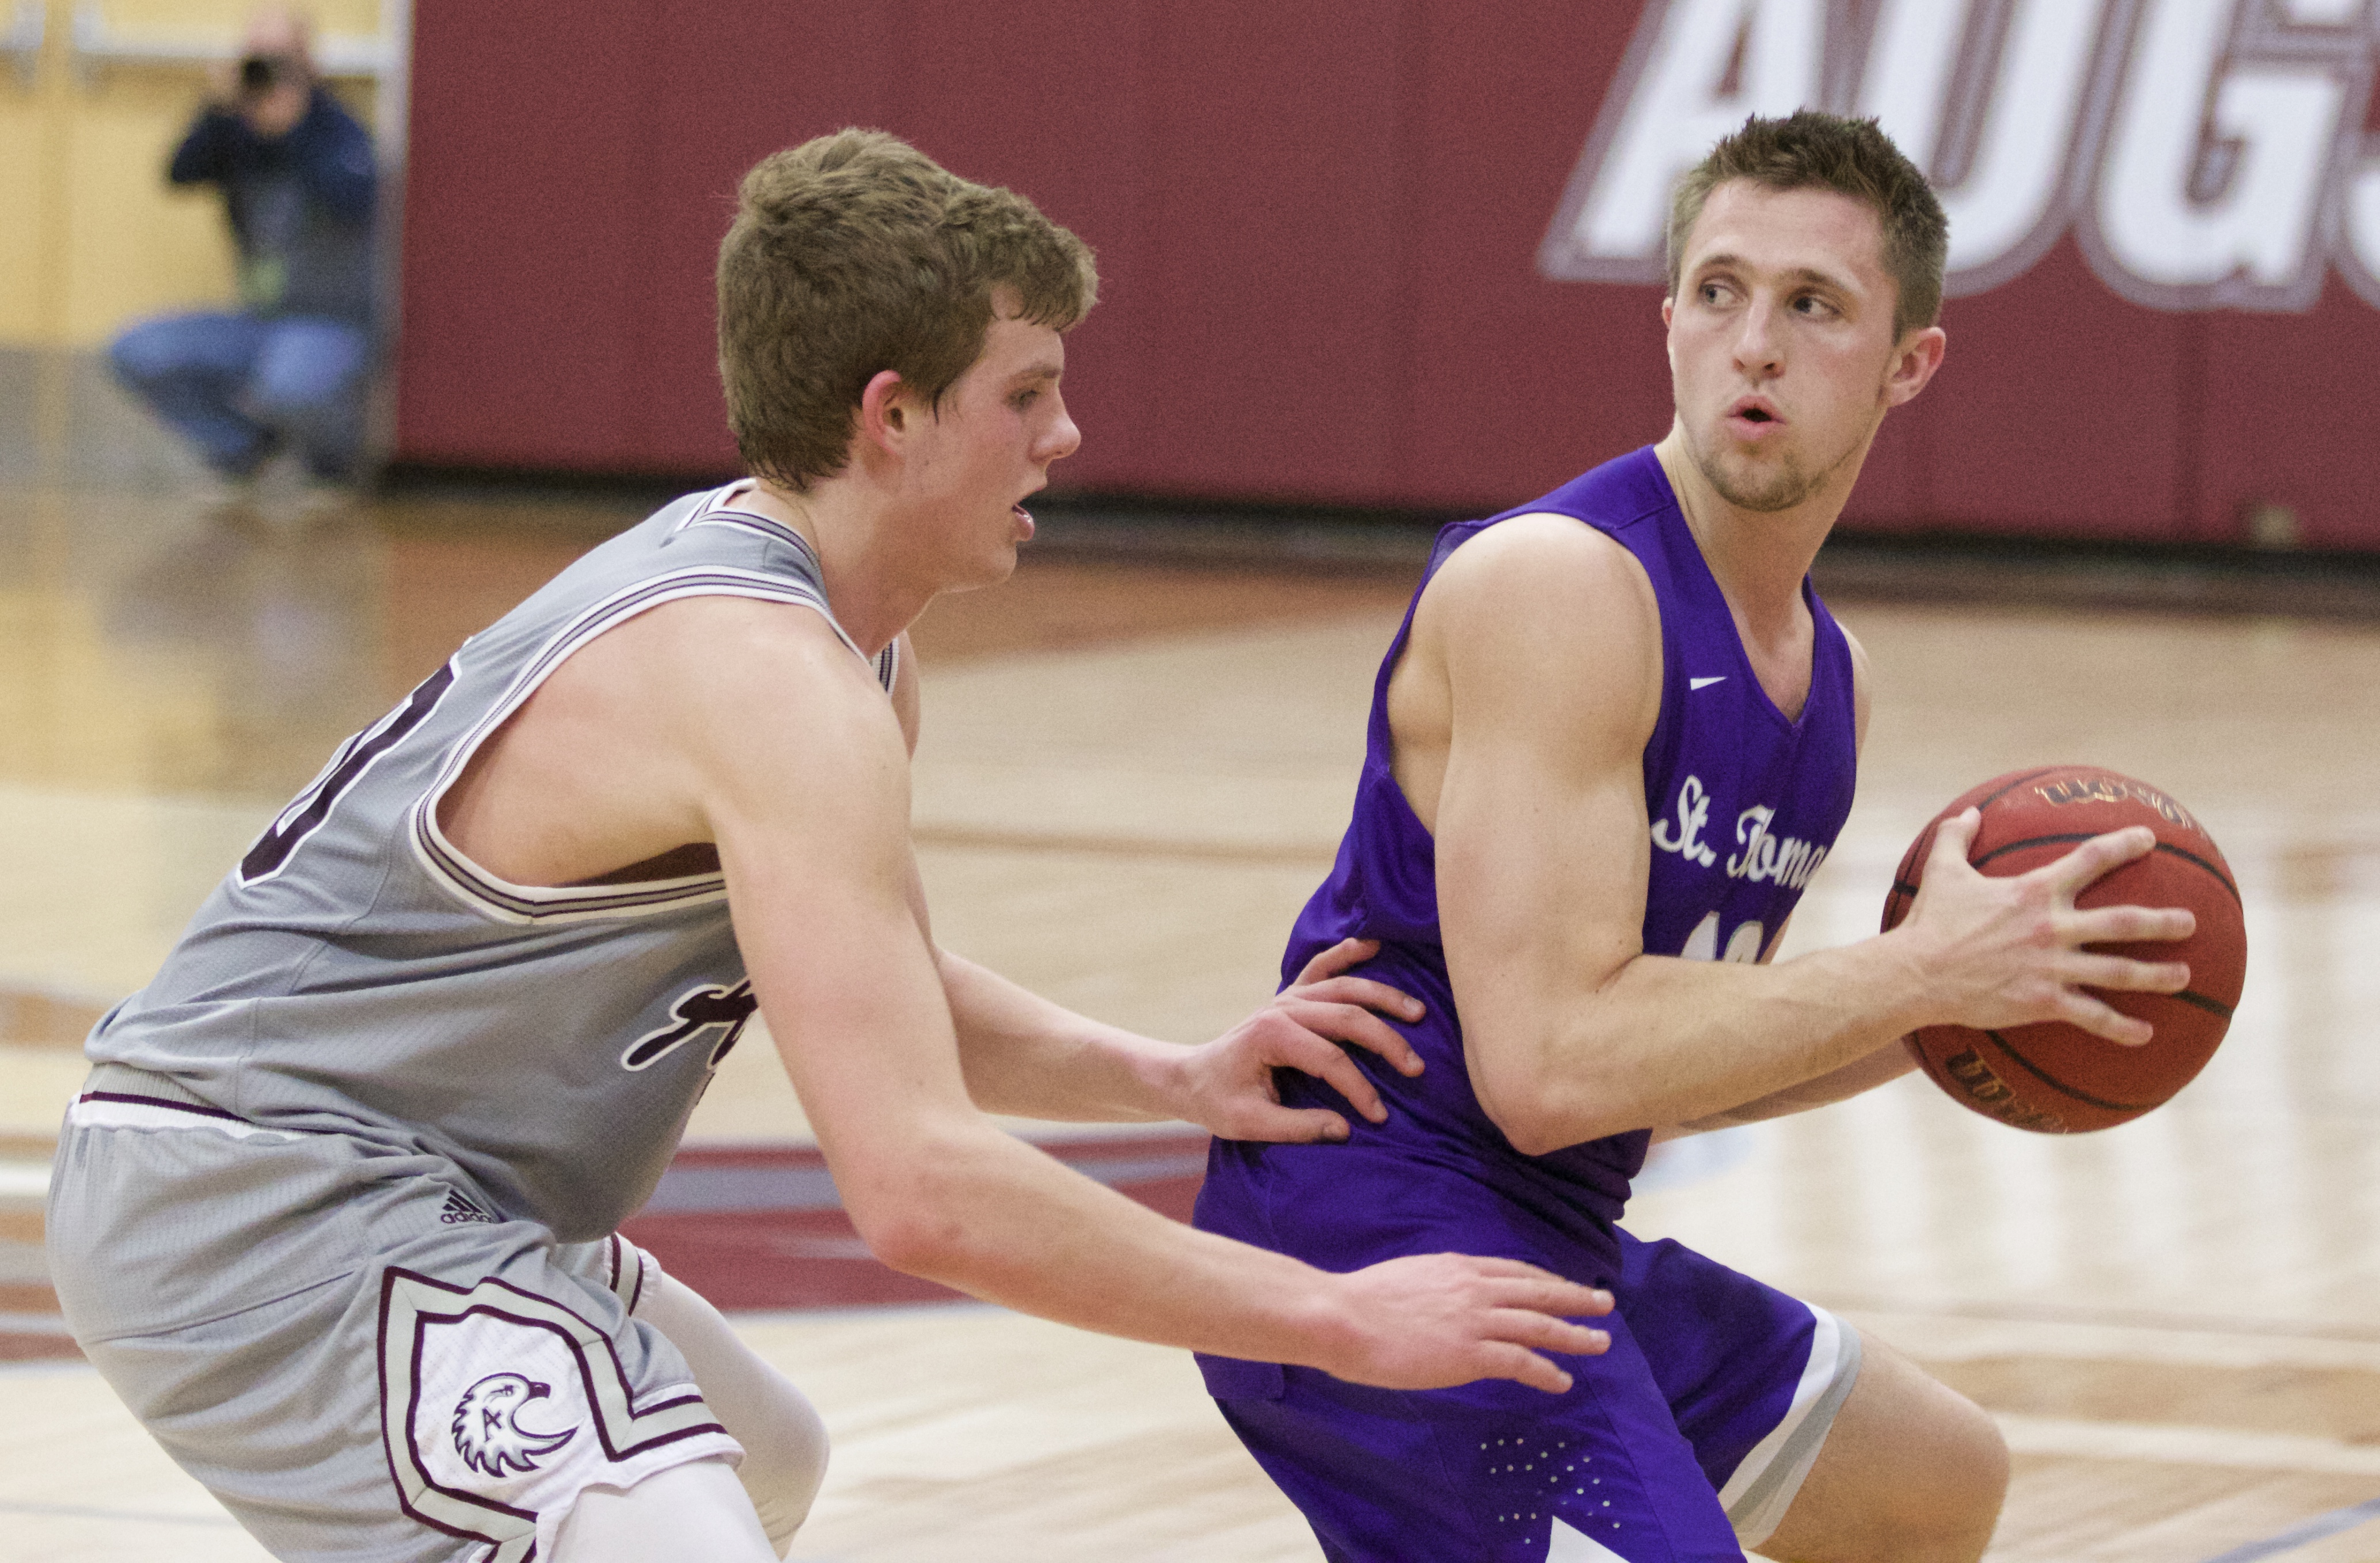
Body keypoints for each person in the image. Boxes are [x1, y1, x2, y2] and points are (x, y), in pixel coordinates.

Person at [45, 130, 1614, 1563]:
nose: (1065, 433)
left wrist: (1165, 1073)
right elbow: (918, 1188)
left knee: (755, 1459)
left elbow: (873, 976)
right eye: (1025, 393)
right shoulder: (768, 682)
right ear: (891, 416)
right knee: (662, 1525)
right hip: (261, 1196)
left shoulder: (845, 650)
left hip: (402, 1194)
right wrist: (1331, 1317)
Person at [1190, 111, 2198, 1563]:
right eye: (1718, 292)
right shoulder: (1561, 585)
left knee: (1926, 1480)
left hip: (1546, 1228)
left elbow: (1666, 1072)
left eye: (1812, 306)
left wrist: (1988, 992)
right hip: (1367, 1227)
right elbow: (1549, 1069)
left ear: (1907, 361)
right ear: (1665, 321)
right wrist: (1913, 976)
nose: (1754, 342)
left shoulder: (1823, 678)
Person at [108, 6, 375, 498]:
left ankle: (331, 467)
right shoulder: (236, 129)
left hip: (329, 321)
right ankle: (247, 451)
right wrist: (215, 108)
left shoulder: (338, 129)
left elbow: (356, 199)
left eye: (281, 59)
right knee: (137, 352)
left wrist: (294, 129)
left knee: (288, 384)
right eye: (257, 58)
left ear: (309, 63)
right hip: (257, 321)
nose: (267, 72)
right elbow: (179, 173)